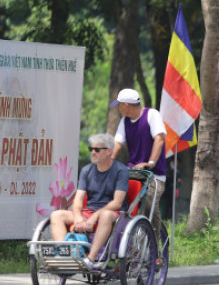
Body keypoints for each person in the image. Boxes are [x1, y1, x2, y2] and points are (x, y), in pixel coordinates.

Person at [50, 133, 129, 270]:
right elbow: (78, 200)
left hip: (114, 214)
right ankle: (64, 255)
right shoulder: (86, 170)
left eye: (97, 150)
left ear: (109, 151)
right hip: (89, 212)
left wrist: (94, 217)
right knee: (56, 215)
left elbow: (117, 203)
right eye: (91, 149)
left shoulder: (121, 171)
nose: (93, 152)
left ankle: (91, 259)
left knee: (104, 215)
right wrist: (79, 217)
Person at [110, 88, 166, 249]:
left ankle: (155, 250)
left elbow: (159, 139)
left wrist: (151, 162)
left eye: (119, 105)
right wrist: (108, 162)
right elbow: (117, 144)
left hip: (154, 175)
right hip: (134, 173)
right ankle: (124, 244)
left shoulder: (151, 115)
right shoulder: (125, 122)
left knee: (148, 204)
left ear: (126, 105)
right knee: (120, 201)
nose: (118, 108)